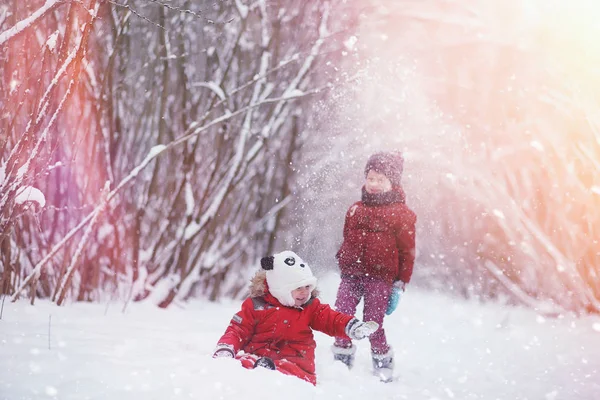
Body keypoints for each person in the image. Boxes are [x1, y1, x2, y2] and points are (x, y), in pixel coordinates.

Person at [212, 250, 379, 385]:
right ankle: (260, 372)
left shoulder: (310, 307)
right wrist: (227, 348)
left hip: (296, 363)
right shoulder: (256, 305)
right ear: (279, 287)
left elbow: (331, 319)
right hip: (258, 358)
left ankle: (269, 372)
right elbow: (237, 329)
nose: (304, 292)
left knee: (289, 372)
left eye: (307, 286)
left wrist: (351, 325)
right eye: (298, 288)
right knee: (242, 362)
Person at [332, 151, 417, 382]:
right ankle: (341, 356)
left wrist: (401, 281)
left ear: (393, 182)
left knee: (373, 321)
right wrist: (344, 257)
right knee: (341, 315)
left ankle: (382, 360)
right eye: (371, 178)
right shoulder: (355, 209)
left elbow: (407, 250)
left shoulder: (401, 215)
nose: (374, 184)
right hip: (351, 273)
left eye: (381, 180)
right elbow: (347, 237)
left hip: (380, 278)